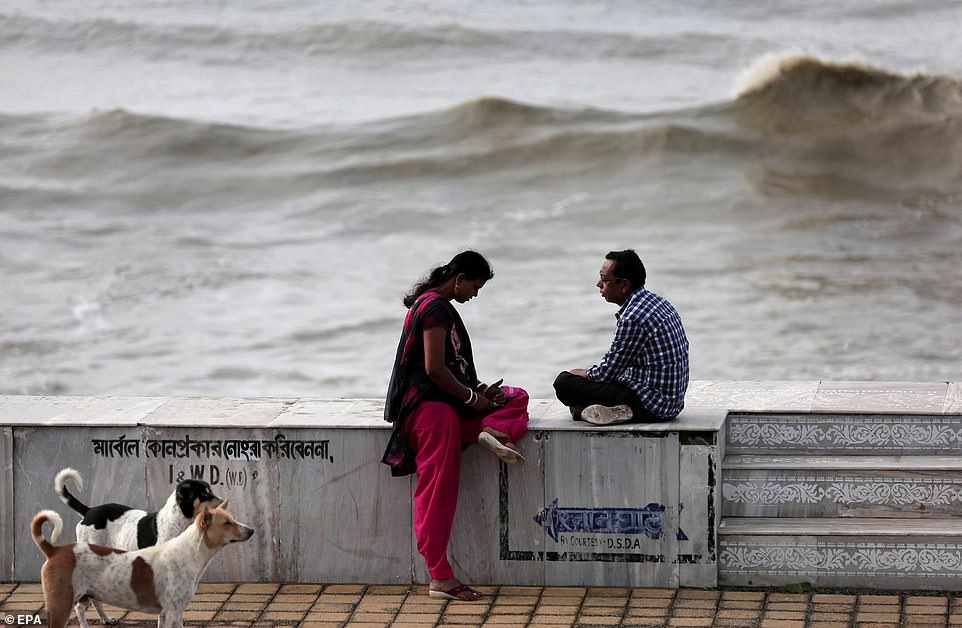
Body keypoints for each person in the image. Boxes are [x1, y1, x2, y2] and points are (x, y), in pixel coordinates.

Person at [382, 250, 529, 602]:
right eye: (474, 287)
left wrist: (477, 392)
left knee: (515, 396)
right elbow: (433, 369)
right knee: (437, 492)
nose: (474, 295)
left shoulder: (431, 305)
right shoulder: (434, 308)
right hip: (432, 414)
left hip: (447, 407)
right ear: (459, 278)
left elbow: (446, 369)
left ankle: (482, 429)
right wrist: (471, 400)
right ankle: (440, 577)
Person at [554, 249, 689, 425]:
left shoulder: (632, 317)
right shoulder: (658, 302)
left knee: (564, 383)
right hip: (673, 403)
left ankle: (593, 411)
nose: (598, 284)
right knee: (586, 383)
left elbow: (607, 373)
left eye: (604, 279)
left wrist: (582, 374)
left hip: (652, 405)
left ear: (624, 285)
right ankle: (600, 410)